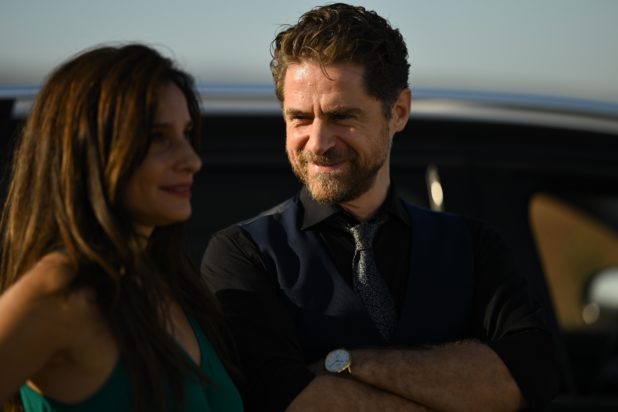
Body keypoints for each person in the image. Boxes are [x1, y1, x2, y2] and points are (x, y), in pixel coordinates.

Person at [201, 3, 560, 411]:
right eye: (299, 118)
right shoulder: (244, 255)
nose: (317, 142)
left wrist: (347, 364)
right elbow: (277, 398)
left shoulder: (471, 246)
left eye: (341, 116)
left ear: (399, 111)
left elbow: (530, 374)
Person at [0, 44, 244, 412]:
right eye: (158, 137)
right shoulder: (60, 292)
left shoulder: (166, 283)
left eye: (186, 134)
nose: (191, 160)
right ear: (89, 148)